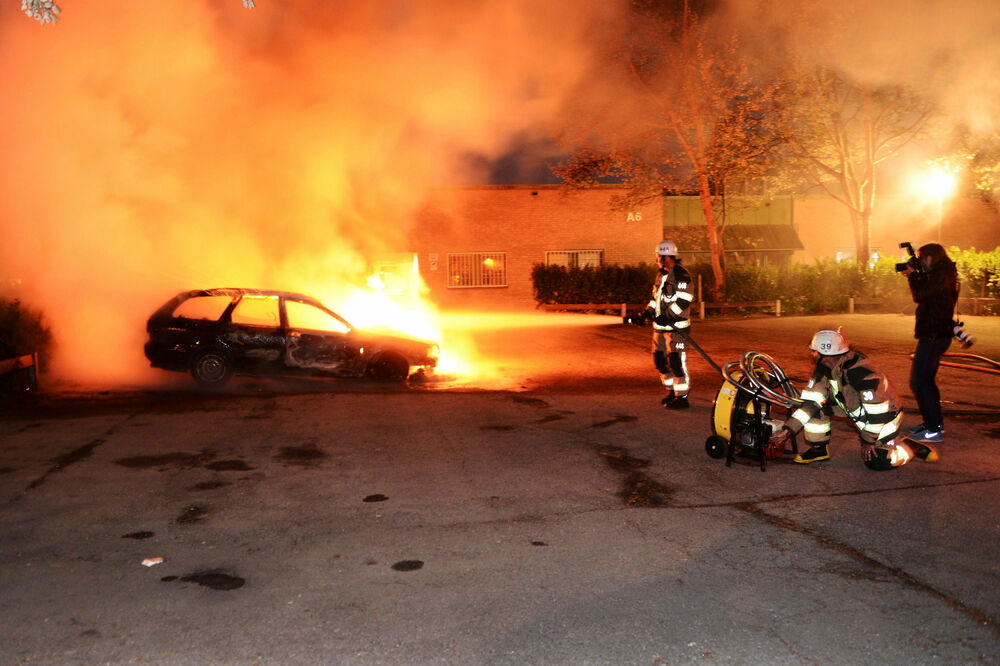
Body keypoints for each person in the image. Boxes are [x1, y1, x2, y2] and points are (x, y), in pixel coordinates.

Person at [769, 329, 937, 470]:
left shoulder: (861, 373)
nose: (812, 354)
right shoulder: (824, 369)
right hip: (857, 412)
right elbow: (810, 403)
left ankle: (908, 448)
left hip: (886, 417)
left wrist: (868, 440)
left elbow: (878, 413)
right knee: (816, 407)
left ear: (825, 354)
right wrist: (788, 430)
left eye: (815, 351)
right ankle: (818, 449)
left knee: (877, 462)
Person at [902, 243, 959, 443]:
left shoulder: (942, 275)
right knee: (926, 381)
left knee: (920, 381)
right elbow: (928, 294)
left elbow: (920, 295)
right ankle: (933, 424)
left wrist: (913, 276)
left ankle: (933, 429)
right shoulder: (944, 273)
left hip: (934, 335)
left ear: (930, 258)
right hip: (935, 333)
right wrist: (917, 275)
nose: (921, 263)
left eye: (922, 258)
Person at [646, 240, 694, 409]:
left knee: (676, 361)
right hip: (660, 328)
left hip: (677, 329)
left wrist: (667, 316)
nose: (657, 259)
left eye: (659, 256)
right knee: (659, 360)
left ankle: (682, 397)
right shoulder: (661, 275)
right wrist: (648, 312)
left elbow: (684, 299)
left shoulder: (681, 275)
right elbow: (655, 298)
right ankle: (672, 391)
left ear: (666, 256)